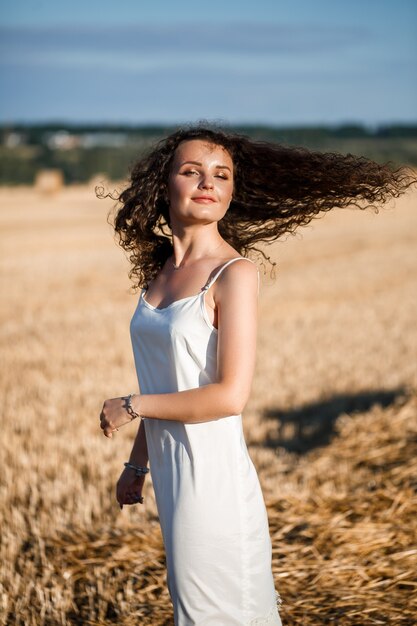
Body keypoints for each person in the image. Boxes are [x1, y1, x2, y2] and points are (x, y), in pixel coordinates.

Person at [99, 125, 415, 625]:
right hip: (174, 479)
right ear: (164, 184)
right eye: (192, 171)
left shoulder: (234, 275)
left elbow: (230, 396)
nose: (208, 182)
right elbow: (169, 382)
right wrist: (138, 464)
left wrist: (133, 405)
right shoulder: (160, 276)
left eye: (221, 175)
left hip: (215, 485)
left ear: (231, 192)